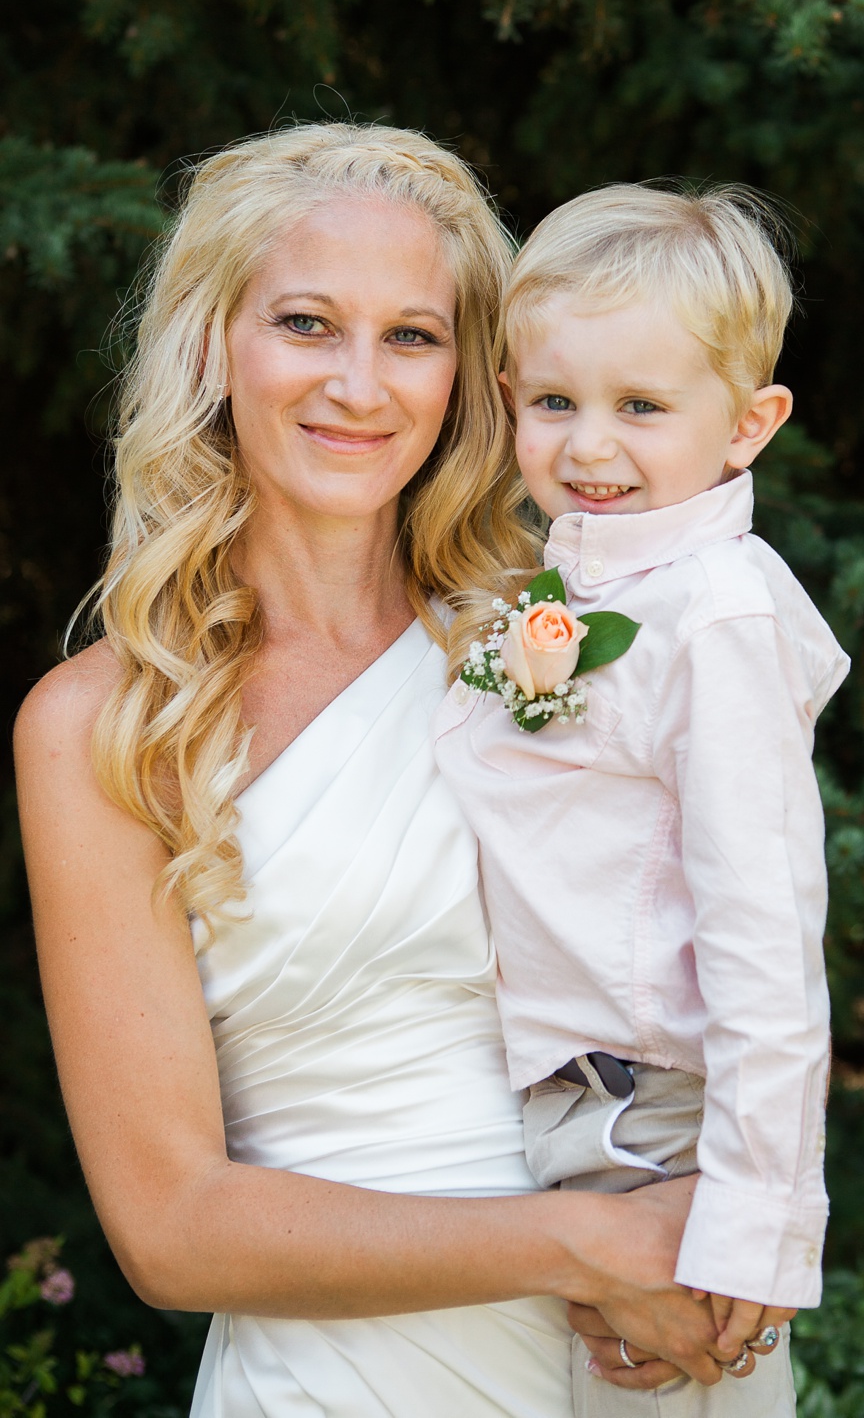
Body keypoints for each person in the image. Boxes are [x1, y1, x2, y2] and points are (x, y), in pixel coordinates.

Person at [13, 123, 756, 1416]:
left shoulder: (559, 639)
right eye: (307, 323)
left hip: (643, 1346)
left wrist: (730, 1200)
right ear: (212, 344)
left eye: (412, 336)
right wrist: (577, 1248)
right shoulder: (104, 729)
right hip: (347, 1376)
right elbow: (169, 1227)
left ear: (467, 374)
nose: (360, 384)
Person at [432, 183, 847, 1417]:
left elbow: (764, 930)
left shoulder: (715, 609)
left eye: (642, 407)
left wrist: (752, 1224)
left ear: (748, 423)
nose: (591, 446)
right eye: (555, 401)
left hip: (656, 1122)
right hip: (572, 1104)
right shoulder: (572, 581)